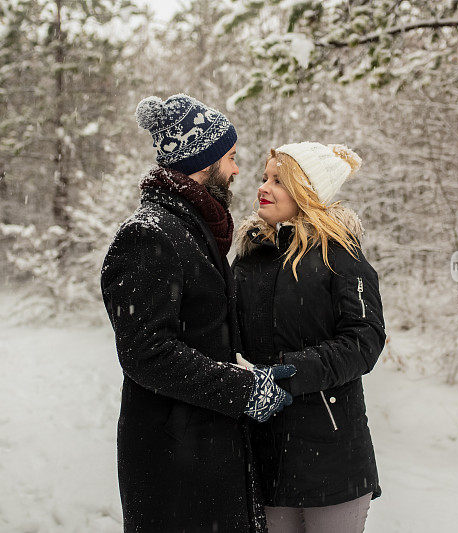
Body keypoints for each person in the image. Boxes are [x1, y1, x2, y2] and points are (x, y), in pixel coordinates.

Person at [101, 94, 295, 533]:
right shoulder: (148, 236)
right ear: (201, 161)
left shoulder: (189, 228)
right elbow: (146, 354)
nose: (237, 169)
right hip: (175, 455)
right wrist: (241, 388)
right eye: (230, 157)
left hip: (205, 444)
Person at [232, 142, 386, 533]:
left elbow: (364, 339)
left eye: (278, 180)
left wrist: (288, 373)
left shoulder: (341, 254)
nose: (263, 187)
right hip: (261, 451)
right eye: (264, 178)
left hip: (333, 453)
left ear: (306, 190)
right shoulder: (249, 258)